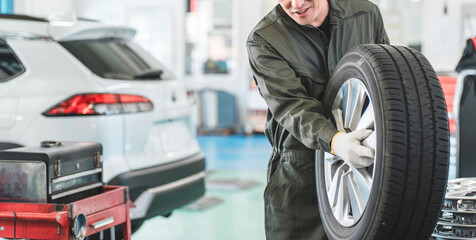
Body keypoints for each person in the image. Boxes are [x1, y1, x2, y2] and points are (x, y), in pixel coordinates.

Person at [246, 0, 389, 239]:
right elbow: (292, 106)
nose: (297, 4)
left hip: (365, 165)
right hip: (300, 173)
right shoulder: (265, 39)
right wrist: (336, 142)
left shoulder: (365, 14)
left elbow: (388, 81)